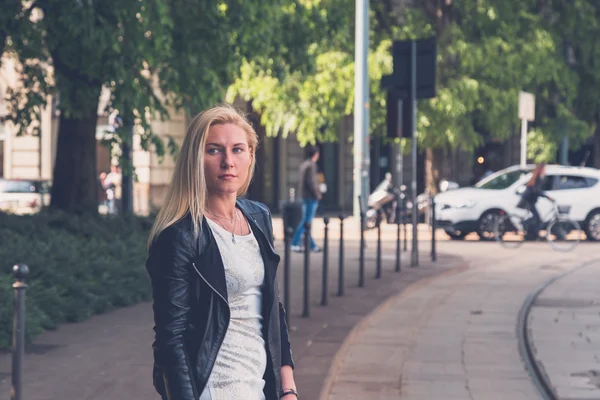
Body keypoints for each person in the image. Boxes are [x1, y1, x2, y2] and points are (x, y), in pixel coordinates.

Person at [146, 104, 297, 400]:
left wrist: (287, 385)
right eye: (214, 150)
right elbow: (170, 341)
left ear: (251, 156)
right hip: (214, 390)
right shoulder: (180, 236)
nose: (228, 161)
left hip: (260, 386)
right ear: (196, 159)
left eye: (238, 149)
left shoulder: (259, 217)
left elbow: (271, 306)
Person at [290, 145, 322, 253]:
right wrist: (317, 195)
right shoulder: (311, 165)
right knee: (306, 222)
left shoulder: (304, 165)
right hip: (310, 197)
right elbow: (311, 182)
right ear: (316, 154)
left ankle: (312, 246)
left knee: (306, 222)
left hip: (304, 196)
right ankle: (294, 243)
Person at [519, 163, 553, 238]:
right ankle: (532, 234)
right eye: (544, 169)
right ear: (541, 169)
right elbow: (536, 190)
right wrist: (547, 197)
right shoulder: (537, 178)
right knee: (537, 218)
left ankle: (533, 234)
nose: (545, 171)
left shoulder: (537, 177)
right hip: (528, 201)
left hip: (530, 201)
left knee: (536, 217)